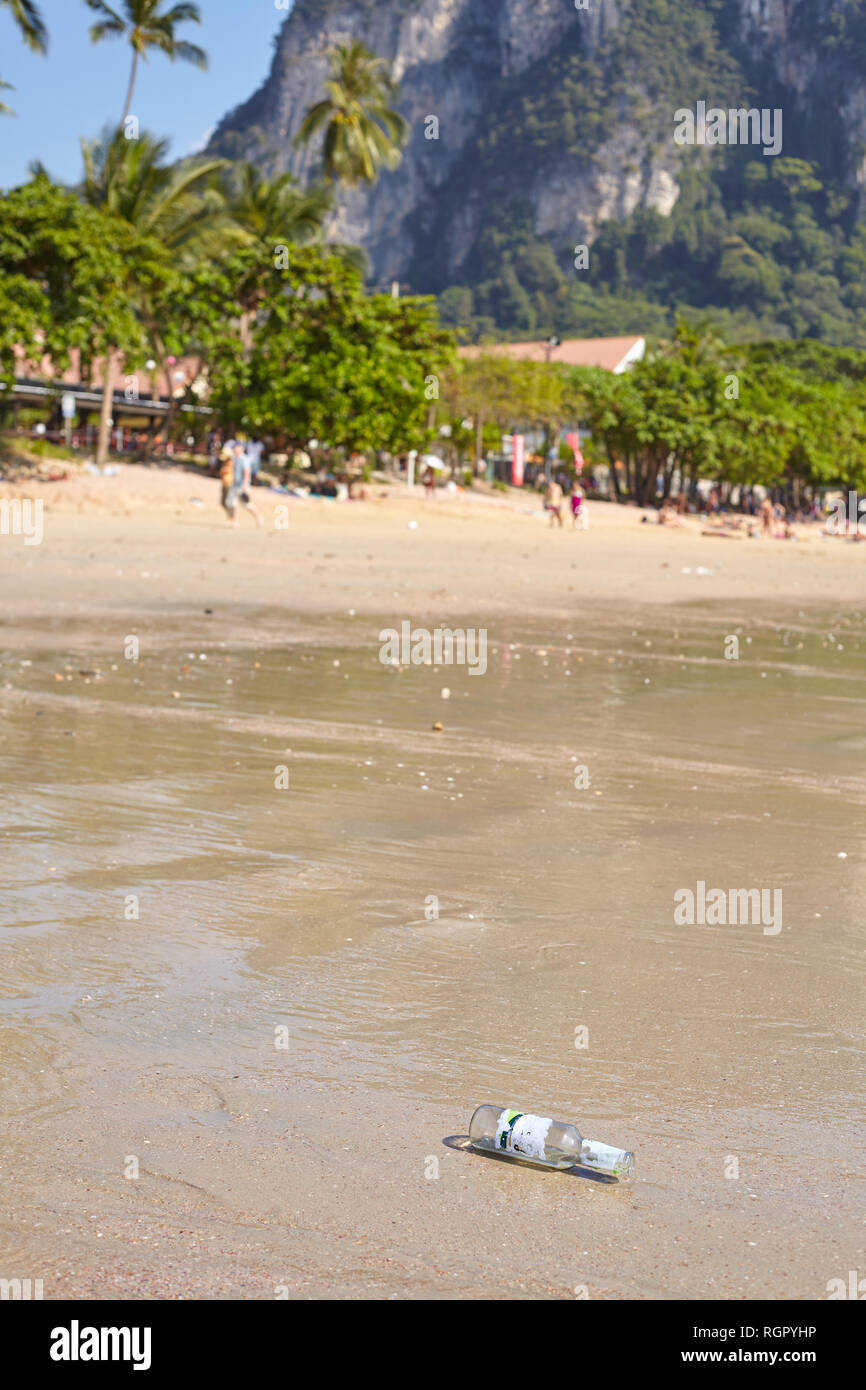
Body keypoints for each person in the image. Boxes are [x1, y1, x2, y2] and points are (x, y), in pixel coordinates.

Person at [228, 441, 264, 528]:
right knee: (233, 503)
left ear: (241, 448)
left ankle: (258, 516)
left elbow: (247, 472)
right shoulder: (235, 458)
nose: (235, 450)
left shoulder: (244, 459)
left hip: (242, 485)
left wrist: (245, 484)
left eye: (237, 448)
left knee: (247, 504)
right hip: (235, 484)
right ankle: (234, 521)